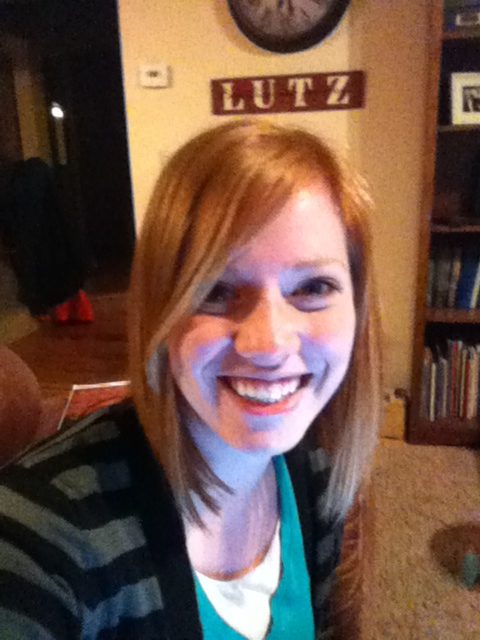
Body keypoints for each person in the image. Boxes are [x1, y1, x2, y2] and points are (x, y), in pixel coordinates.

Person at [0, 120, 382, 639]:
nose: (269, 343)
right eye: (216, 291)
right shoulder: (39, 539)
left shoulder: (315, 472)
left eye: (313, 287)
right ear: (160, 313)